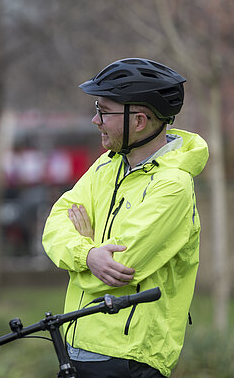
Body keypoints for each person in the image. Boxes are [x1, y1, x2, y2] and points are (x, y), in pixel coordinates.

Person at [42, 58, 209, 377]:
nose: (95, 120)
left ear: (140, 120)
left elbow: (120, 268)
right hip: (76, 343)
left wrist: (83, 252)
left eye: (104, 111)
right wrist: (88, 253)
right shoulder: (106, 165)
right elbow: (54, 227)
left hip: (128, 357)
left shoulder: (172, 185)